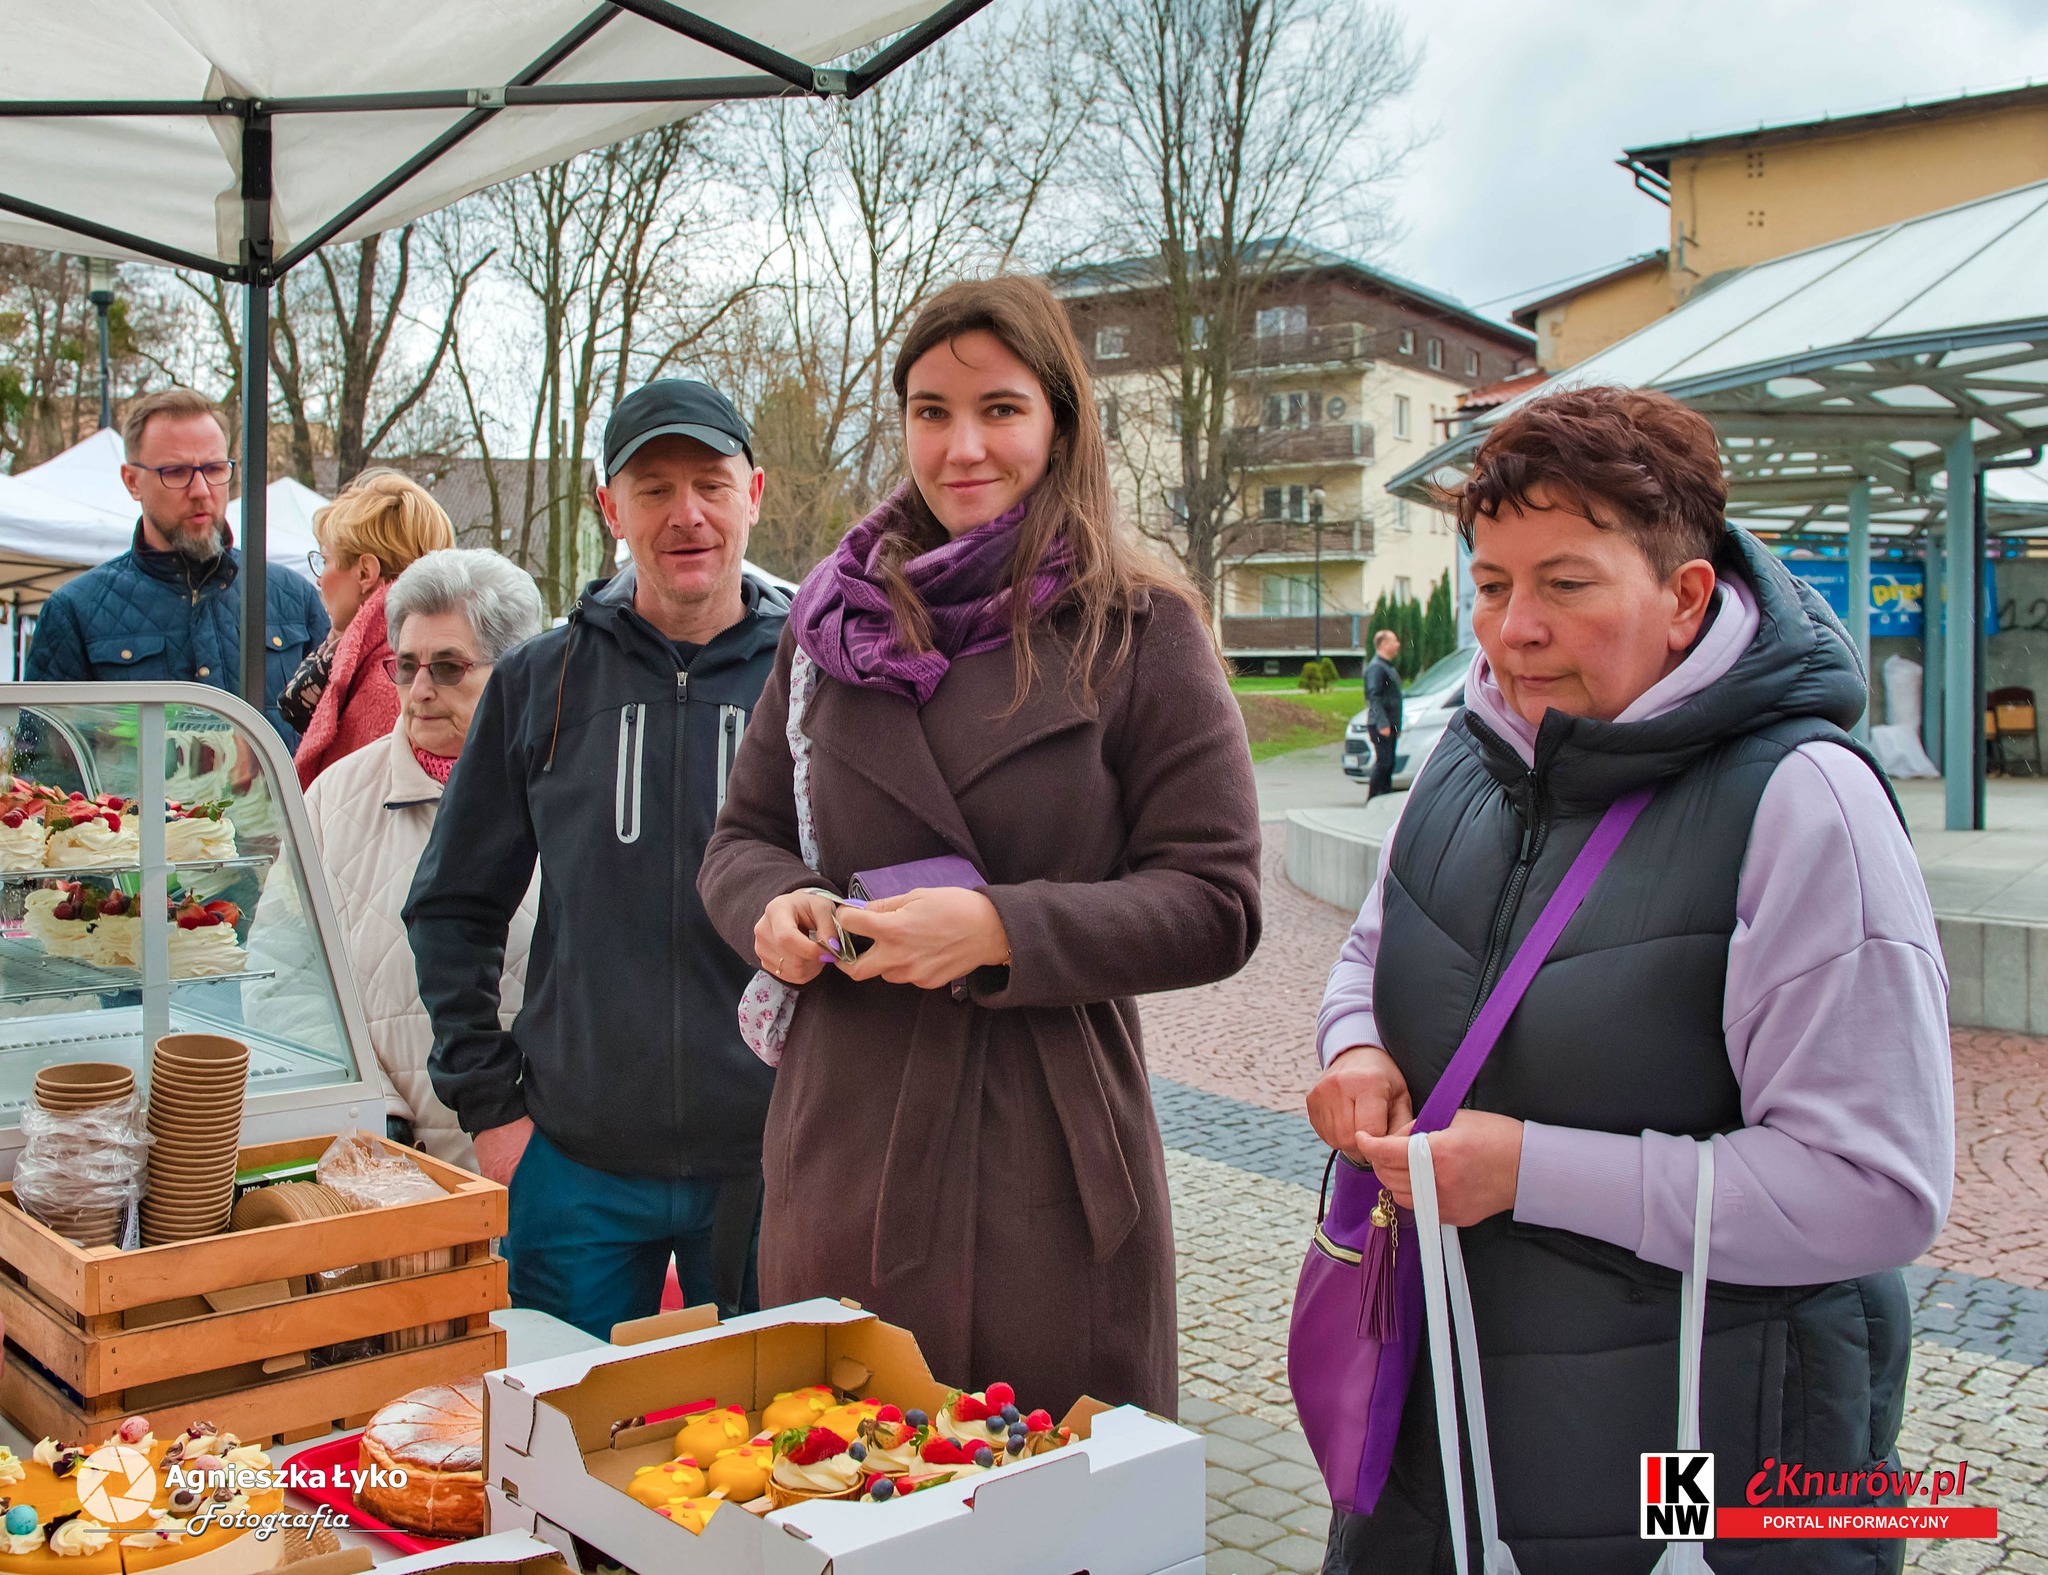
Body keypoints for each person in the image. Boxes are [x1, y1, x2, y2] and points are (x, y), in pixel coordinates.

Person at [1307, 386, 1952, 1574]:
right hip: (1441, 1425)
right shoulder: (1468, 756)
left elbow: (1874, 1189)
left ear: (1684, 597)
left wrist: (1529, 1171)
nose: (1512, 631)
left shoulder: (1804, 802)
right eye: (1489, 585)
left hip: (1702, 1457)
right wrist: (1354, 1050)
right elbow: (1370, 951)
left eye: (1565, 583)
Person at [699, 275, 1263, 1421]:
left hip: (1050, 1161)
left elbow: (1217, 899)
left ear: (1058, 420)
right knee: (841, 1471)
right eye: (930, 411)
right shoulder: (829, 626)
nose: (962, 448)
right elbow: (740, 838)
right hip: (848, 1141)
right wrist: (775, 904)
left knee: (1049, 1490)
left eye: (999, 408)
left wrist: (1004, 930)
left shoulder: (1139, 629)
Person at [405, 378, 788, 1339]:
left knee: (772, 1427)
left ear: (754, 494)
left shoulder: (815, 680)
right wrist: (491, 1111)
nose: (686, 513)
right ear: (610, 509)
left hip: (772, 1163)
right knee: (563, 1423)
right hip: (574, 1170)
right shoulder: (544, 679)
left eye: (711, 483)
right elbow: (452, 905)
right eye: (653, 489)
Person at [282, 550, 544, 1167]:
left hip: (549, 1161)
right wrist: (375, 1113)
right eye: (405, 666)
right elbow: (285, 978)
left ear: (514, 671)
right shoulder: (333, 799)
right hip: (388, 1166)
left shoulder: (571, 790)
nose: (420, 690)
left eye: (448, 667)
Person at [25, 388, 329, 746]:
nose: (201, 489)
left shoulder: (294, 599)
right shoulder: (74, 612)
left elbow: (339, 748)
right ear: (132, 481)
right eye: (176, 472)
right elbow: (43, 765)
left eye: (214, 469)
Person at [283, 471, 457, 787]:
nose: (319, 580)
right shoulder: (392, 660)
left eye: (324, 560)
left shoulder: (391, 679)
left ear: (365, 572)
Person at [1362, 628, 1403, 798]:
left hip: (1389, 724)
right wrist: (1382, 723)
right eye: (1394, 641)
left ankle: (1384, 798)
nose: (1398, 644)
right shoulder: (1376, 668)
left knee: (1389, 763)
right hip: (1380, 725)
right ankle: (1373, 798)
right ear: (1384, 644)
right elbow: (1374, 696)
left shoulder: (1386, 667)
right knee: (1384, 763)